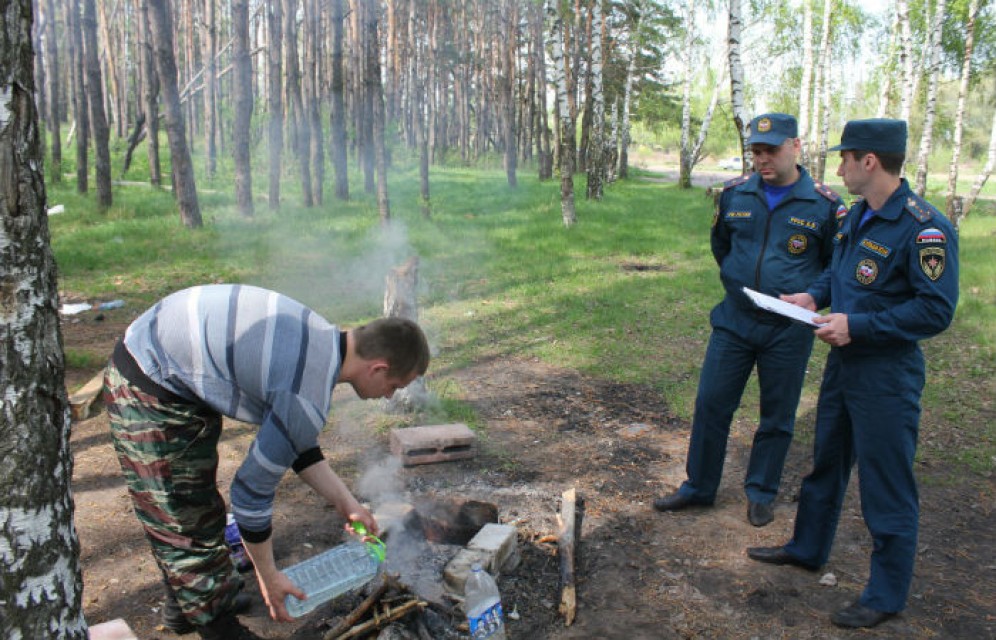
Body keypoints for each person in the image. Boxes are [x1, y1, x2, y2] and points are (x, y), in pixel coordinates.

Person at [102, 284, 431, 640]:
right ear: (378, 368)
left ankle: (185, 608)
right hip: (150, 379)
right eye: (395, 385)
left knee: (191, 504)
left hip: (175, 359)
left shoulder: (323, 339)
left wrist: (346, 503)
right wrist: (269, 577)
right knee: (182, 513)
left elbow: (295, 442)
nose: (390, 394)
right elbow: (249, 494)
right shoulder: (305, 394)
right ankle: (219, 627)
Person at [747, 119, 959, 629]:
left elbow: (935, 311)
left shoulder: (924, 228)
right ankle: (807, 547)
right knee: (827, 463)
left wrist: (857, 325)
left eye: (845, 158)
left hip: (886, 375)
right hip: (844, 366)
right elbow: (838, 272)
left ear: (870, 161)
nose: (837, 166)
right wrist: (813, 296)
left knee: (886, 485)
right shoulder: (856, 215)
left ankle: (885, 595)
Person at [654, 113, 846, 527]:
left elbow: (837, 264)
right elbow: (721, 245)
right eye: (756, 151)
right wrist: (739, 280)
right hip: (735, 321)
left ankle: (761, 491)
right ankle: (699, 486)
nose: (762, 159)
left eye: (771, 150)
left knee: (777, 414)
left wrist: (814, 295)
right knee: (711, 404)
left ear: (795, 146)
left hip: (788, 328)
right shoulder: (735, 194)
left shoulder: (825, 204)